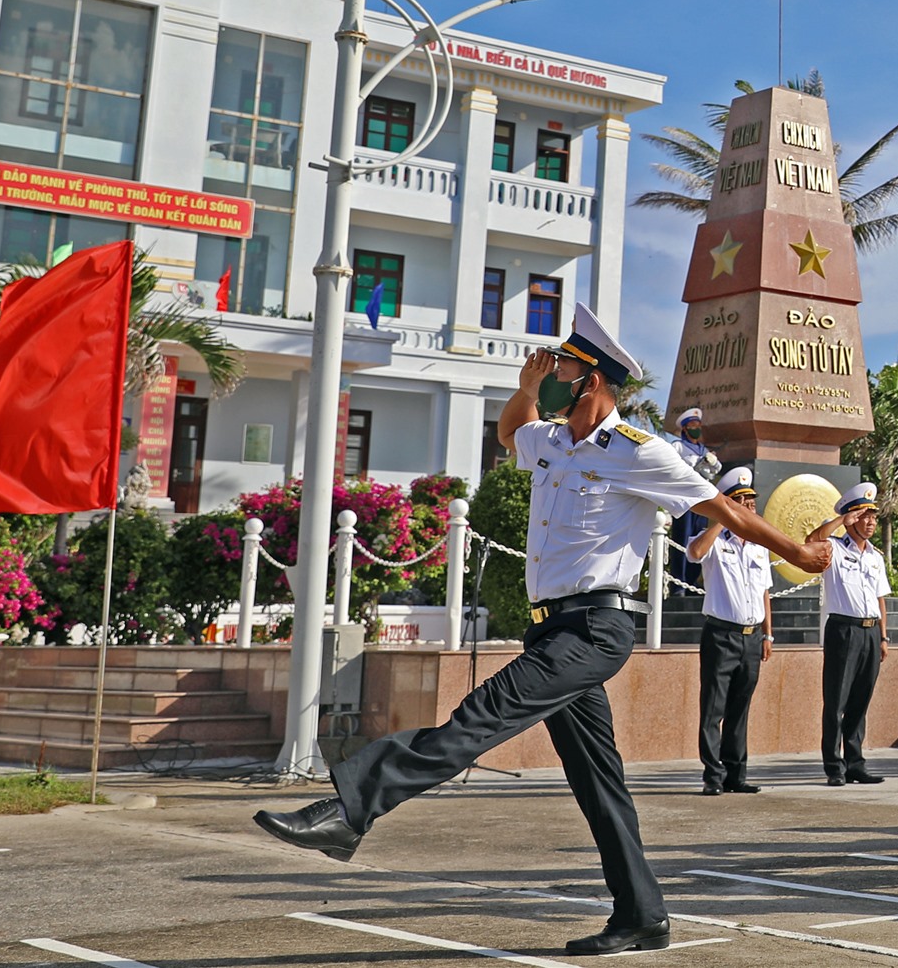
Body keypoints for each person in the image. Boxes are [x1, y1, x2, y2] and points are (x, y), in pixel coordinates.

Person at [251, 303, 829, 957]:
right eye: (551, 365)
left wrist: (800, 553)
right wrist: (525, 391)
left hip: (597, 628)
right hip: (552, 632)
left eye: (561, 367)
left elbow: (721, 507)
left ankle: (350, 811)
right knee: (597, 780)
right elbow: (511, 431)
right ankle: (642, 914)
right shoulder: (551, 441)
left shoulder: (639, 452)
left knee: (479, 715)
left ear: (596, 381)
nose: (551, 372)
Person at [687, 467, 773, 795]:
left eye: (751, 502)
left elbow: (765, 592)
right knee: (714, 708)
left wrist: (768, 634)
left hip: (752, 637)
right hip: (720, 635)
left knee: (740, 708)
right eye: (742, 502)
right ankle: (713, 775)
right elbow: (694, 554)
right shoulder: (713, 541)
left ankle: (737, 773)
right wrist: (723, 518)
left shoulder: (757, 545)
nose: (749, 508)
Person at [809, 482, 891, 786]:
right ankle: (834, 766)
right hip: (843, 629)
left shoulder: (875, 556)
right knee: (836, 701)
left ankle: (856, 763)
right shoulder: (832, 547)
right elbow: (811, 539)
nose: (870, 522)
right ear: (850, 517)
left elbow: (880, 597)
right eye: (863, 515)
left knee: (860, 700)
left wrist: (883, 636)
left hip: (870, 632)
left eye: (873, 516)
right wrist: (840, 522)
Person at [667, 408, 719, 591]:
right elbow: (673, 468)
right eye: (692, 425)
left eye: (698, 425)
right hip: (684, 499)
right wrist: (695, 466)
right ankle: (678, 584)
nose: (696, 428)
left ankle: (691, 580)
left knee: (698, 537)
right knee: (682, 538)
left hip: (702, 500)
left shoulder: (704, 450)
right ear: (685, 428)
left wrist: (712, 462)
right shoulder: (677, 447)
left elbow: (714, 471)